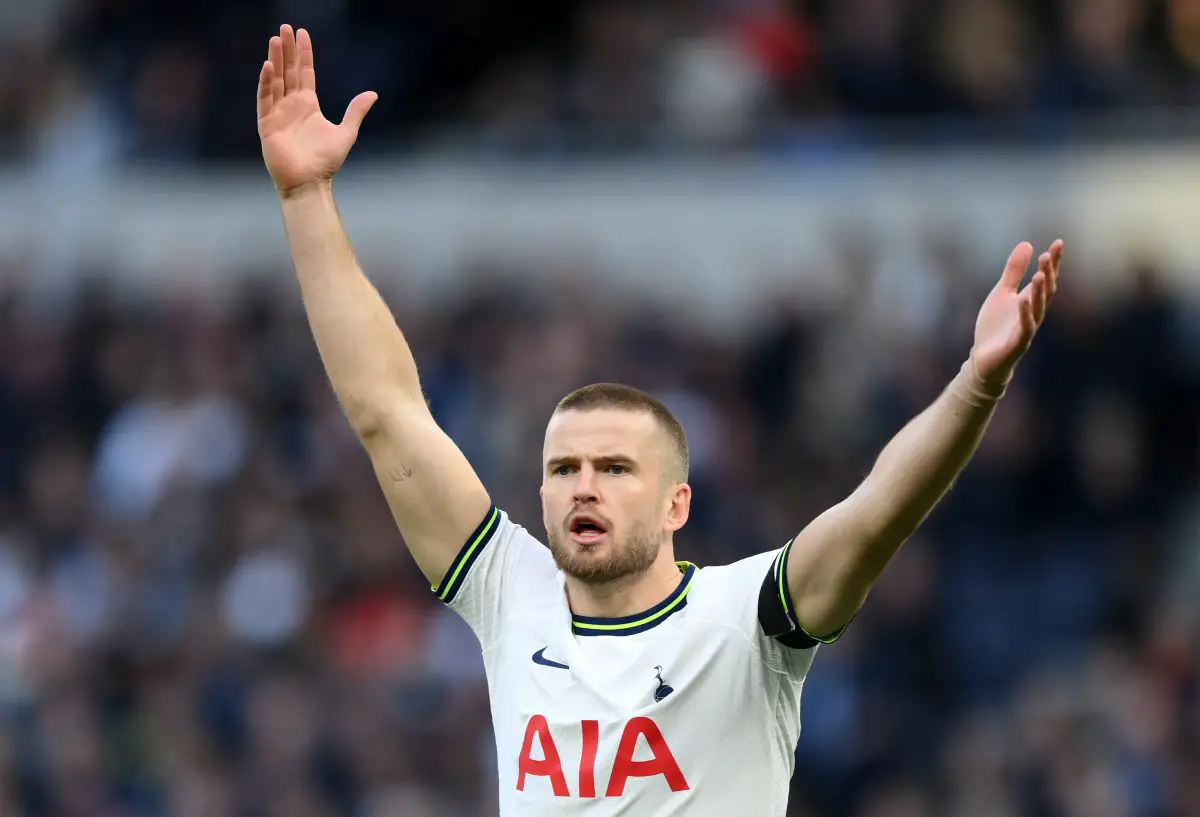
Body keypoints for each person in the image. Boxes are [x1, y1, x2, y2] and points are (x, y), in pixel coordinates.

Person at [256, 24, 1064, 816]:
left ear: (677, 502)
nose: (584, 486)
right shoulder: (511, 591)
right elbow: (386, 412)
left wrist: (975, 384)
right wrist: (306, 199)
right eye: (565, 468)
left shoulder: (749, 621)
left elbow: (879, 512)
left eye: (615, 468)